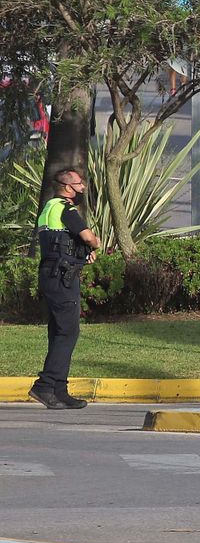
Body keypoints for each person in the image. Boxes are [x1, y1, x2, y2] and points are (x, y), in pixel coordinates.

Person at [30, 169, 99, 409]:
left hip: (51, 275)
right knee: (68, 331)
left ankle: (59, 390)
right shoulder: (67, 209)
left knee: (58, 331)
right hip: (62, 278)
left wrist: (81, 253)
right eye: (80, 184)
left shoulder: (48, 209)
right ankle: (45, 385)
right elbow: (89, 237)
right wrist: (93, 244)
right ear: (68, 188)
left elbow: (59, 243)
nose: (82, 188)